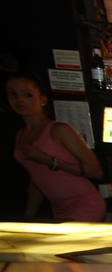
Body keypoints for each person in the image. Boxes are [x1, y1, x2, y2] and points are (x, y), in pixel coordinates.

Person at [7, 72, 106, 222]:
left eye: (27, 95)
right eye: (12, 94)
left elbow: (96, 171)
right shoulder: (20, 135)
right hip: (59, 208)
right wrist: (28, 217)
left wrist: (50, 161)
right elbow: (37, 177)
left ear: (42, 99)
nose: (19, 100)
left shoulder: (59, 130)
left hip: (85, 204)